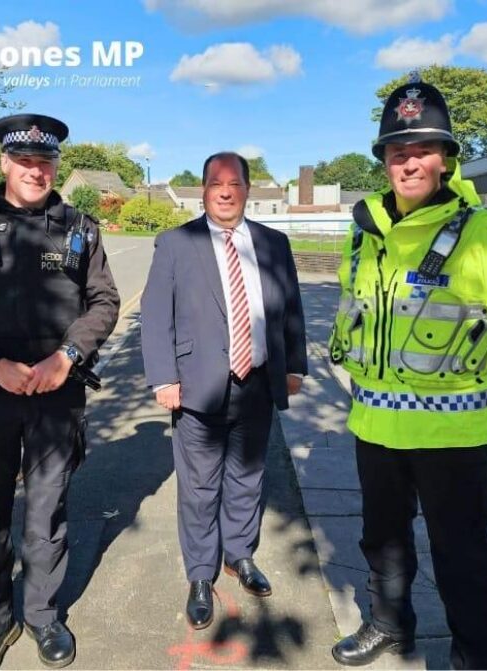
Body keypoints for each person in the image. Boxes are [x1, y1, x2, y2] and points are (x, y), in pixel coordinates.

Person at [328, 75, 487, 669]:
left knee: (463, 555)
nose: (409, 162)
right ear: (384, 163)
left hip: (451, 434)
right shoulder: (362, 235)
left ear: (447, 159)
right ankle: (390, 626)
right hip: (374, 426)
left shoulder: (486, 235)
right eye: (398, 152)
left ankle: (476, 659)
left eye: (422, 150)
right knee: (382, 542)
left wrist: (478, 371)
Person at [0, 114, 120, 670]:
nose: (36, 170)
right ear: (5, 163)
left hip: (56, 399)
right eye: (25, 161)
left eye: (45, 162)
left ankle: (41, 616)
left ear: (56, 166)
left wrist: (69, 356)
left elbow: (103, 302)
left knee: (46, 514)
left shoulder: (81, 227)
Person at [140, 152, 307, 629]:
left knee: (248, 477)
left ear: (248, 189)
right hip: (196, 388)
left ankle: (240, 555)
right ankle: (199, 573)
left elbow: (290, 307)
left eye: (235, 183)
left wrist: (294, 365)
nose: (226, 191)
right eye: (216, 183)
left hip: (257, 381)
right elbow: (155, 317)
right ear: (204, 190)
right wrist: (164, 377)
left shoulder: (274, 243)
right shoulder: (177, 243)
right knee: (198, 487)